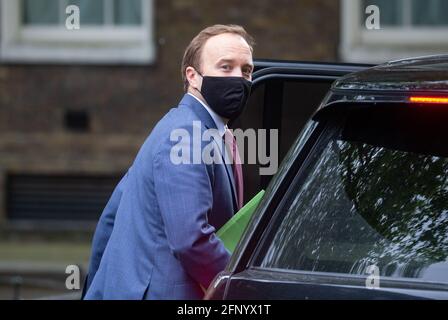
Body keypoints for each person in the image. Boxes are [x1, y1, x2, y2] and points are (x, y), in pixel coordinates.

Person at [83, 24, 255, 300]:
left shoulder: (209, 132)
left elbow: (112, 217)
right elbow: (191, 240)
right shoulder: (185, 134)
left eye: (246, 70)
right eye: (225, 67)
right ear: (193, 77)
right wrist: (243, 286)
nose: (239, 78)